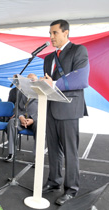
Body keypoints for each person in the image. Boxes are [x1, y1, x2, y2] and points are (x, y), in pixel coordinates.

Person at [41, 19, 90, 206]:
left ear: (66, 33)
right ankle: (54, 181)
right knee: (52, 150)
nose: (51, 37)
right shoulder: (48, 58)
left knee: (70, 151)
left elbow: (81, 79)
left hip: (69, 108)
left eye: (54, 33)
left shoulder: (79, 50)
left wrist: (53, 83)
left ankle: (71, 189)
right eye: (50, 33)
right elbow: (47, 82)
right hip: (51, 108)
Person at [4, 73, 38, 162]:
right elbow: (17, 108)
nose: (30, 81)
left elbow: (44, 110)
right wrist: (21, 117)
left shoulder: (41, 93)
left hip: (35, 120)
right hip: (22, 119)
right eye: (28, 80)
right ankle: (11, 153)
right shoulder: (21, 92)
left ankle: (37, 157)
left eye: (33, 80)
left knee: (40, 126)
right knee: (11, 123)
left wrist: (33, 119)